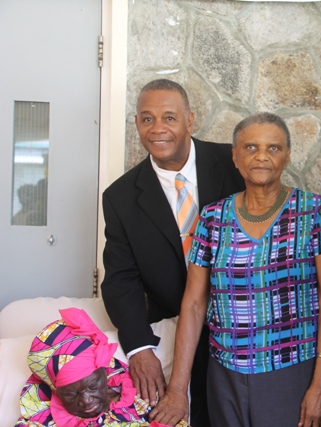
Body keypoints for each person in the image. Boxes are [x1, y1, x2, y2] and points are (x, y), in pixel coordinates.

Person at [151, 113, 321, 427]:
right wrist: (177, 389)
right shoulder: (213, 218)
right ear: (235, 157)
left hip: (292, 370)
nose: (262, 156)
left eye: (274, 148)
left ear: (287, 156)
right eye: (251, 147)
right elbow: (195, 304)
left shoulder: (313, 211)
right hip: (225, 375)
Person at [101, 79, 244, 427]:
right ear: (136, 124)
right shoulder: (119, 198)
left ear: (190, 120)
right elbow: (121, 280)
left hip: (244, 321)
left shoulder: (235, 162)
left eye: (169, 117)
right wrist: (138, 348)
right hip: (180, 326)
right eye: (147, 119)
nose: (158, 129)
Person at [14, 307, 188, 427]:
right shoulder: (43, 420)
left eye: (92, 386)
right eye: (71, 394)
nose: (86, 400)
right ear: (57, 391)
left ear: (105, 373)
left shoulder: (141, 397)